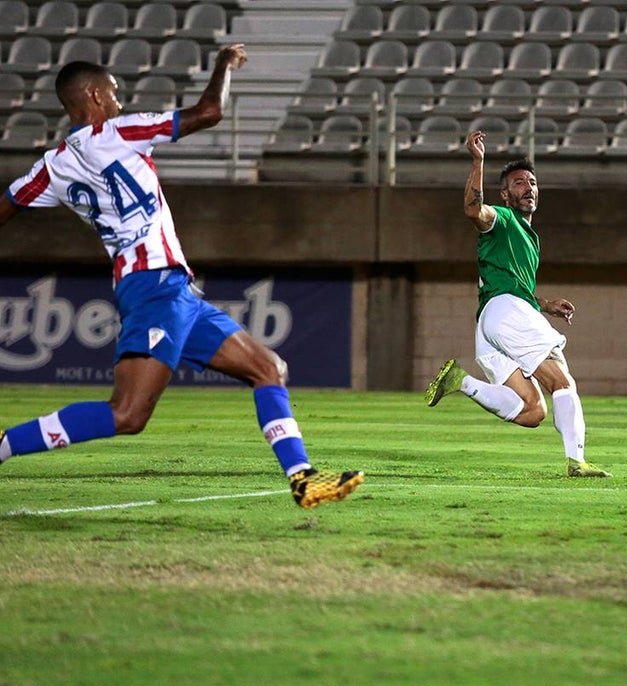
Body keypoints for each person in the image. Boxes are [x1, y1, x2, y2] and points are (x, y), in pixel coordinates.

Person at [0, 44, 364, 509]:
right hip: (154, 286)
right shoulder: (119, 132)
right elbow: (209, 112)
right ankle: (6, 445)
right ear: (91, 94)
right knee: (128, 414)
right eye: (112, 93)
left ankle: (303, 478)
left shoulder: (51, 167)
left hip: (172, 289)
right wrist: (223, 64)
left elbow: (8, 205)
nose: (118, 101)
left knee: (268, 369)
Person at [424, 130, 610, 478]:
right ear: (506, 194)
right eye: (520, 183)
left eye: (533, 182)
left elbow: (512, 284)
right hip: (504, 312)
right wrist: (478, 161)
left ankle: (460, 381)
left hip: (491, 323)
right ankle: (577, 461)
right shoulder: (504, 219)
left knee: (532, 412)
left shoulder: (529, 238)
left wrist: (543, 304)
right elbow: (473, 210)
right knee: (563, 381)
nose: (529, 187)